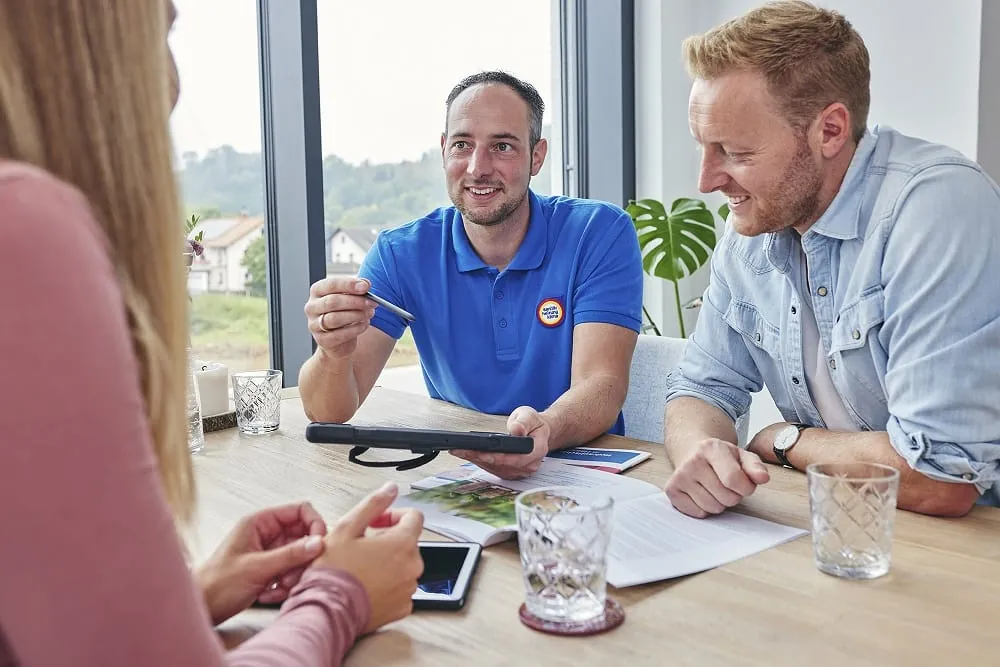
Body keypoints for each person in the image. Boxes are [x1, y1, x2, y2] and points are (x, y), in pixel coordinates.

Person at [0, 2, 424, 665]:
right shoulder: (21, 235)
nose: (172, 83)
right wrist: (342, 593)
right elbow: (329, 406)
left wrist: (190, 594)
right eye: (162, 28)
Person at [662, 0, 1000, 519]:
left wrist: (786, 441)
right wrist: (702, 456)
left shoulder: (936, 208)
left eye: (737, 153)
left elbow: (940, 477)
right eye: (704, 148)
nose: (706, 181)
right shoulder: (758, 221)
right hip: (846, 522)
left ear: (831, 131)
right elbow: (700, 388)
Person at [299, 71, 643, 480]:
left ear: (537, 156)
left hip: (581, 468)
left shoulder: (598, 232)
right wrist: (332, 353)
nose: (478, 168)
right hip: (462, 472)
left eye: (502, 146)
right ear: (444, 150)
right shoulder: (400, 252)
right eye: (463, 145)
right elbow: (328, 412)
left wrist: (544, 431)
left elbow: (602, 384)